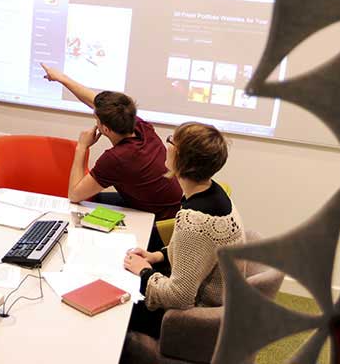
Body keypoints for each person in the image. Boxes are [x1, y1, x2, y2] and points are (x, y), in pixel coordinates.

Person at [122, 122, 244, 339]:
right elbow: (197, 251)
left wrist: (144, 271)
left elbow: (179, 297)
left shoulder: (195, 221)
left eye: (171, 140)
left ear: (182, 157)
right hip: (222, 307)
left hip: (194, 321)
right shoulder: (215, 192)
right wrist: (157, 255)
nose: (166, 144)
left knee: (116, 307)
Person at [40, 64, 182, 221]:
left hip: (156, 223)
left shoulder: (118, 158)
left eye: (97, 119)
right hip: (169, 208)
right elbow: (93, 101)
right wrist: (61, 79)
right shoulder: (141, 127)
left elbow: (74, 194)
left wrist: (82, 146)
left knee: (82, 205)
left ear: (105, 129)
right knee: (94, 199)